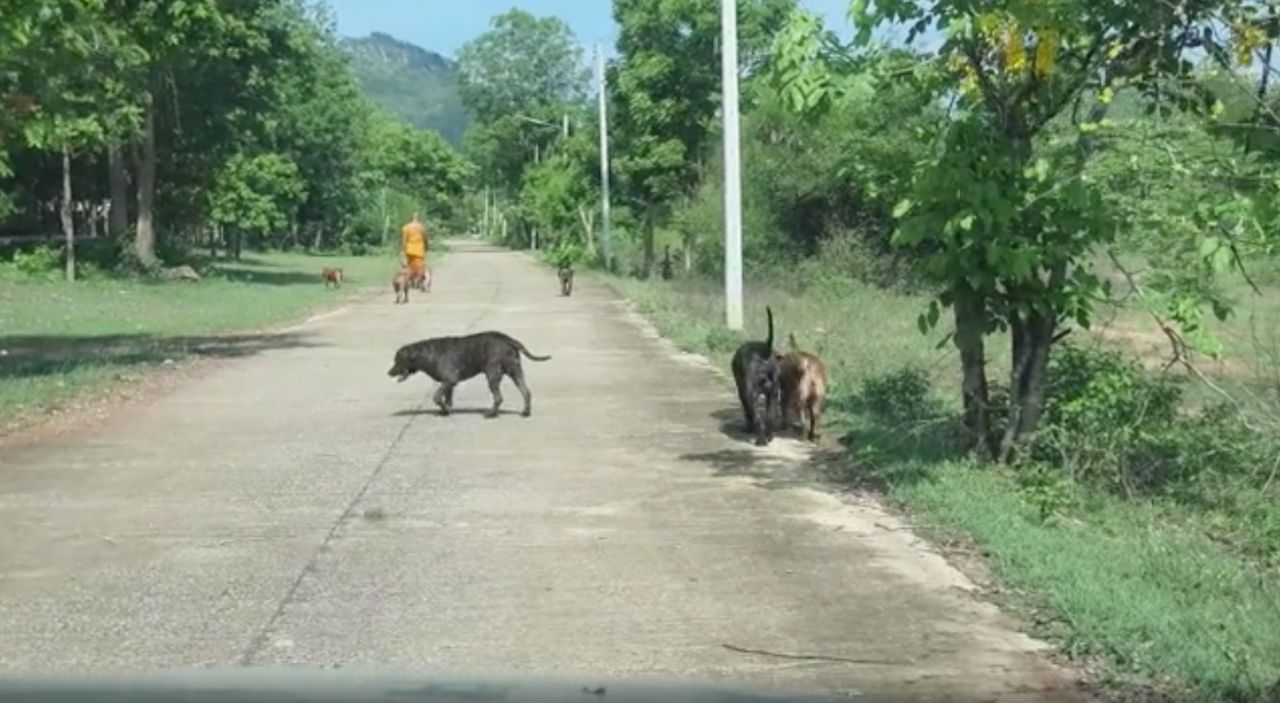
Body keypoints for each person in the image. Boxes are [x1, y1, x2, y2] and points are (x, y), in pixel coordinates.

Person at [401, 212, 429, 291]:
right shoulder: (421, 227)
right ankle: (420, 283)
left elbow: (404, 240)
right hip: (419, 249)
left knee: (410, 266)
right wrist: (426, 247)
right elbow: (425, 238)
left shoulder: (406, 227)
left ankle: (411, 282)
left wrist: (403, 250)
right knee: (420, 267)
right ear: (418, 219)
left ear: (410, 219)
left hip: (409, 249)